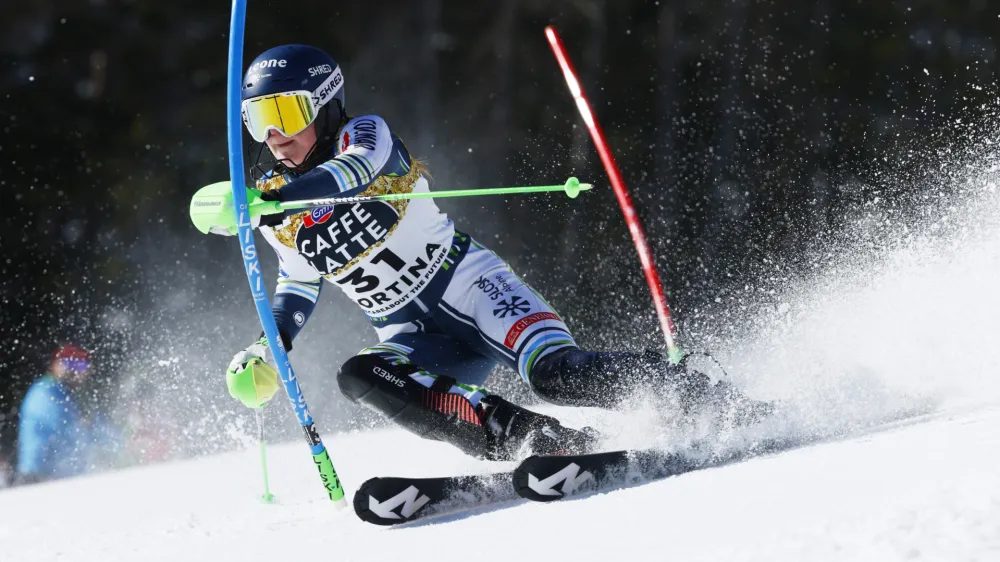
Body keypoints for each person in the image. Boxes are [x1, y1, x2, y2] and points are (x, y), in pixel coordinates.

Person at [205, 44, 768, 461]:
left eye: (285, 114)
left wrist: (259, 204)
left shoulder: (365, 137)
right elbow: (298, 287)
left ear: (326, 107)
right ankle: (532, 440)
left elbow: (349, 177)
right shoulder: (276, 207)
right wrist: (268, 345)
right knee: (361, 375)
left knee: (558, 376)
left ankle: (699, 393)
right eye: (258, 120)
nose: (273, 136)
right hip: (410, 335)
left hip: (473, 290)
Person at [15, 344, 100, 484]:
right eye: (70, 364)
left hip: (55, 474)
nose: (76, 371)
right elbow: (68, 429)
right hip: (37, 475)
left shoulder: (64, 393)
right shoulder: (44, 391)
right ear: (55, 364)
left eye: (82, 366)